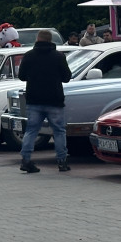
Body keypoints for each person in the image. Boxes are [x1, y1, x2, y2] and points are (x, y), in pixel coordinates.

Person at [17, 29, 73, 173]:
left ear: (37, 39)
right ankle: (62, 162)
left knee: (31, 130)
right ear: (50, 40)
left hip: (34, 99)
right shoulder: (58, 56)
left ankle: (26, 160)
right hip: (54, 99)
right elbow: (67, 77)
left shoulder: (29, 56)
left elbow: (21, 76)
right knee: (59, 131)